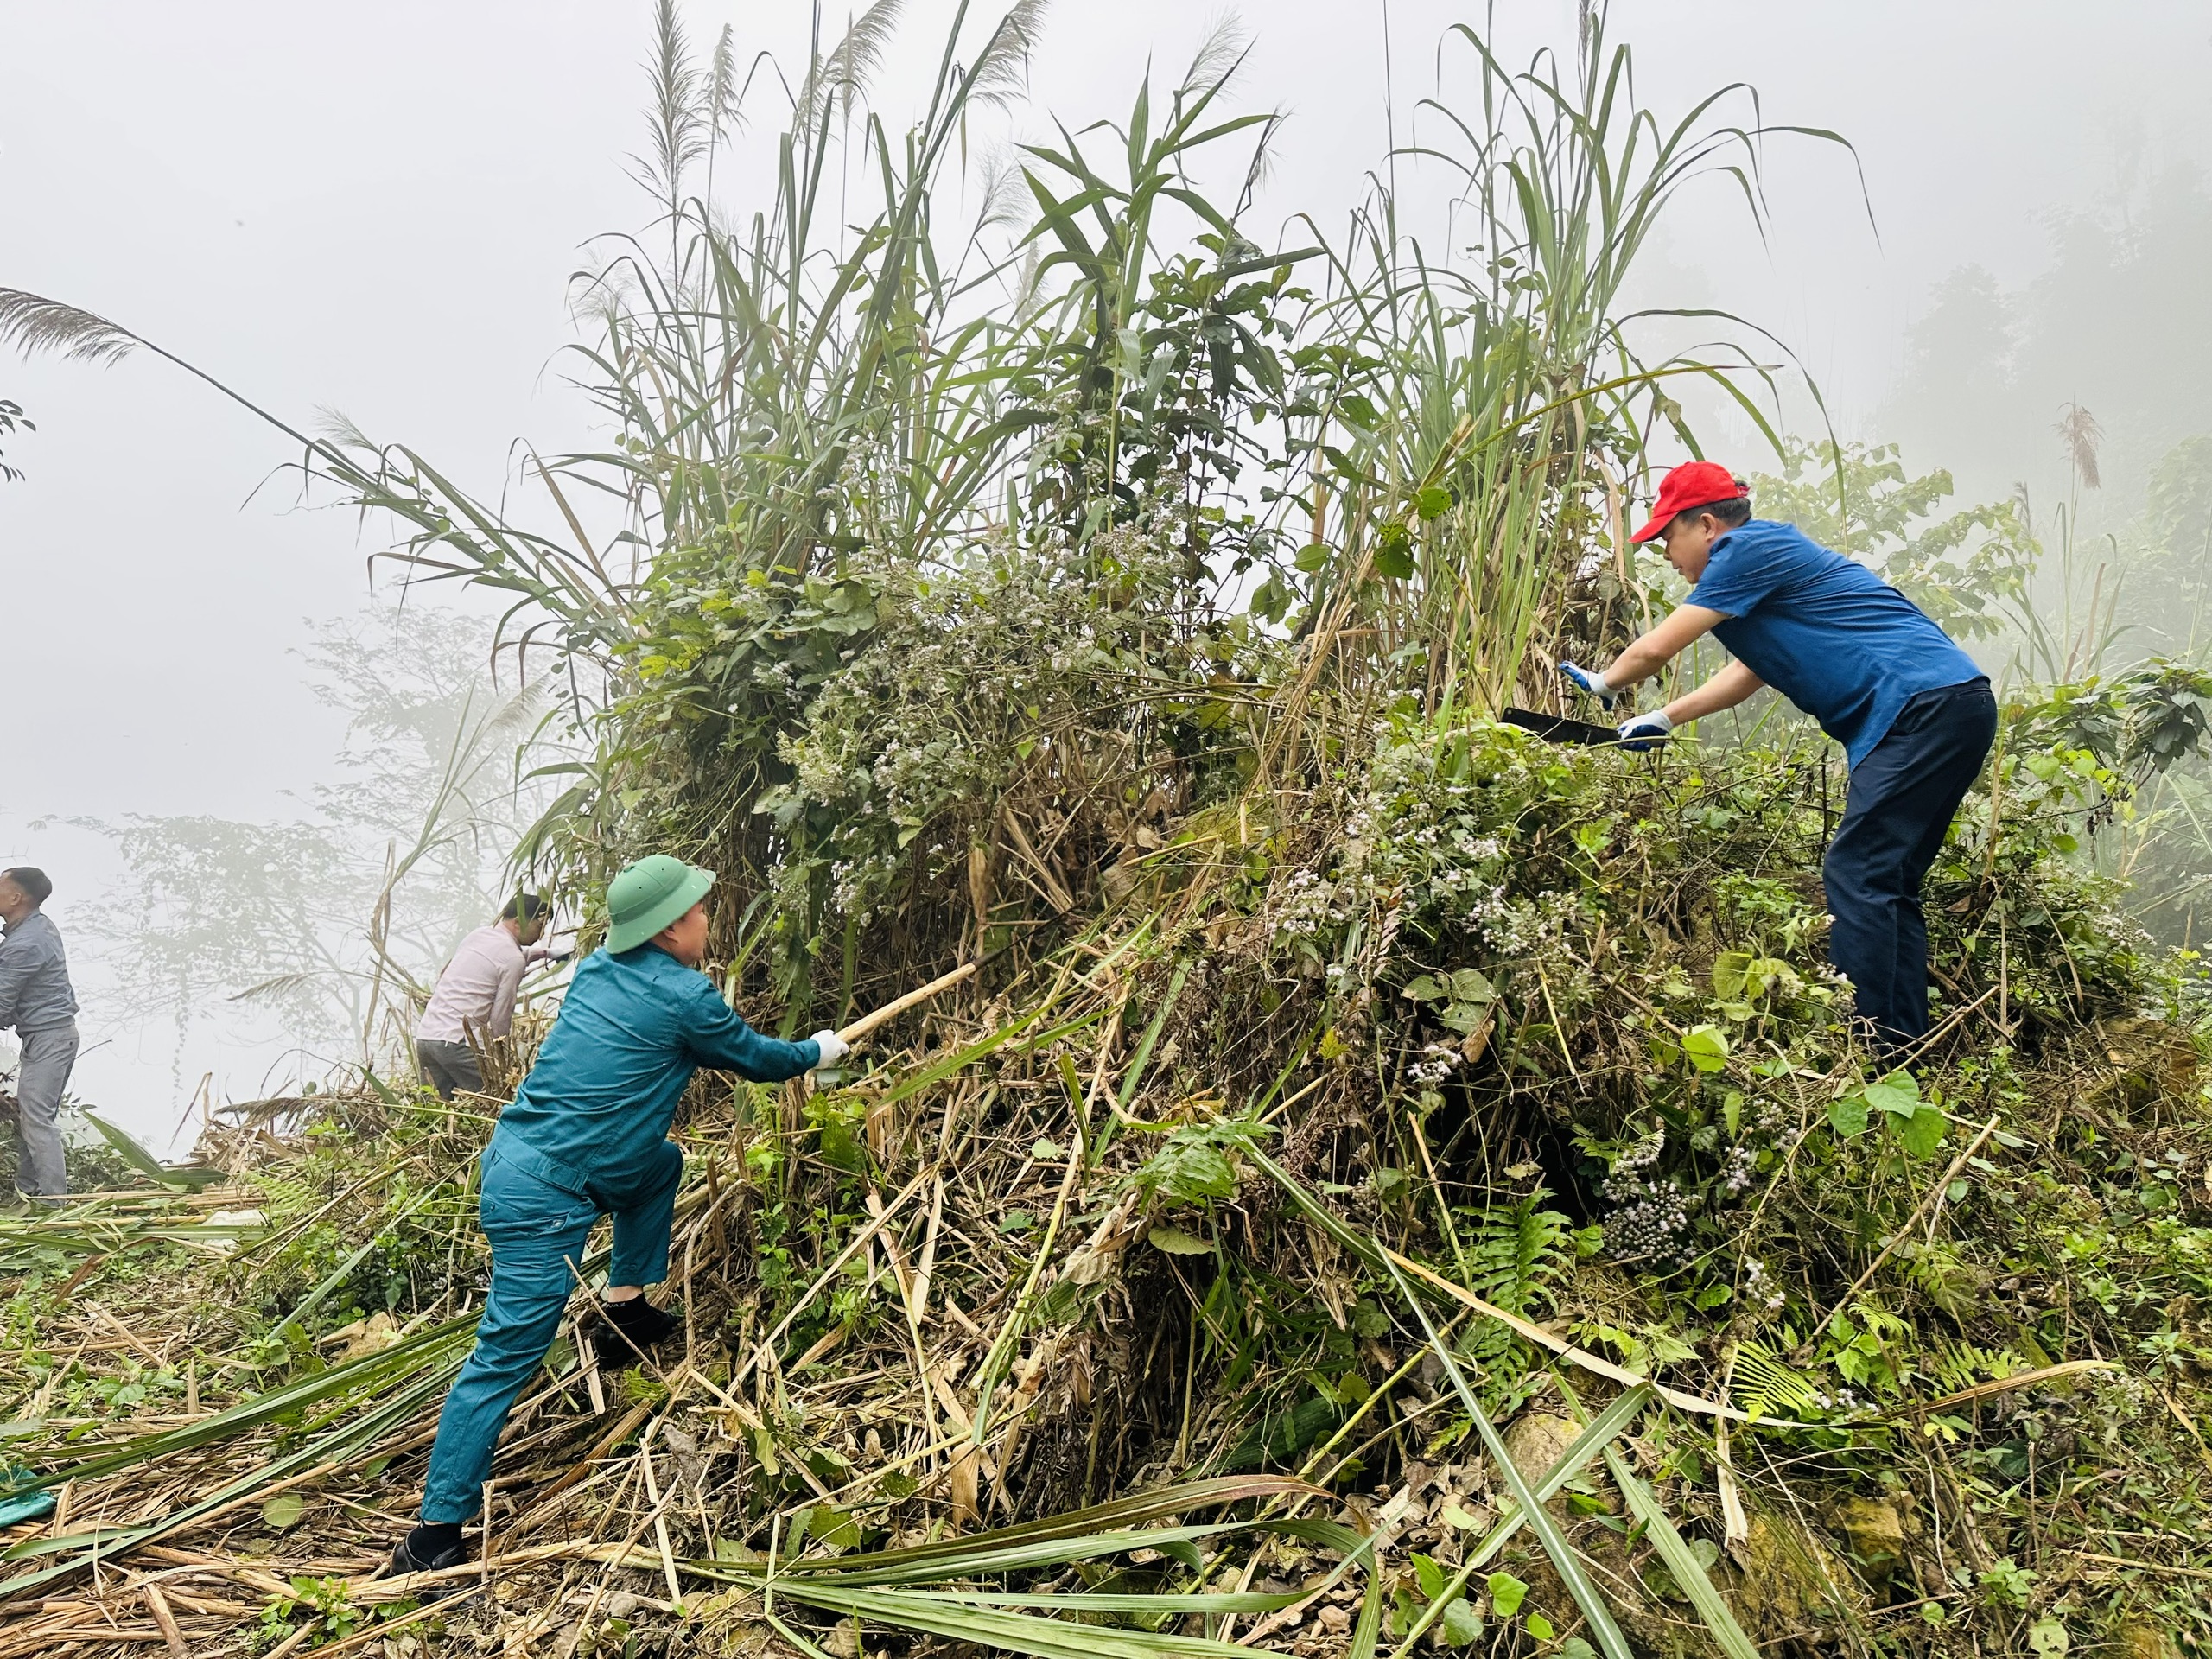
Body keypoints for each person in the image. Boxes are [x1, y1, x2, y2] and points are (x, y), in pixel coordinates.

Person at [389, 853, 850, 1576]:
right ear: (670, 928)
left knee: (661, 1164)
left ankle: (624, 1309)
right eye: (699, 910)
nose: (707, 917)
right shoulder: (683, 997)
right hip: (544, 1195)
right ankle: (434, 1532)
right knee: (505, 1356)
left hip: (541, 1158)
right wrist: (815, 1051)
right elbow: (756, 1058)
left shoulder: (600, 969)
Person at [1558, 460, 1997, 1055]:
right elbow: (1748, 673)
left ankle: (1867, 1049)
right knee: (1887, 882)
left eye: (1668, 536)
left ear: (1707, 525)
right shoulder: (1763, 573)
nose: (1664, 553)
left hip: (1918, 706)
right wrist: (1665, 717)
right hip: (1949, 706)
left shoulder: (1746, 548)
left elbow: (1658, 647)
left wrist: (1606, 682)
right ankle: (1903, 1049)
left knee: (1858, 872)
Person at [416, 894, 556, 1099]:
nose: (542, 933)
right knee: (497, 1099)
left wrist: (546, 953)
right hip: (456, 1042)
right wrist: (502, 1058)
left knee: (432, 1109)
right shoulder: (512, 959)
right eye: (540, 925)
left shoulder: (479, 935)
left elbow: (505, 956)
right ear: (518, 922)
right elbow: (500, 1018)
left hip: (427, 1036)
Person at [0, 868, 80, 1204]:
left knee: (37, 1122)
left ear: (17, 898)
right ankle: (28, 1190)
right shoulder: (36, 926)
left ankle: (54, 1204)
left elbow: (2, 1003)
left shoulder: (26, 943)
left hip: (50, 1040)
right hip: (52, 1036)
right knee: (31, 1117)